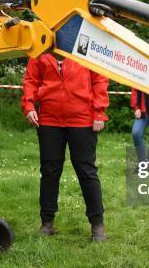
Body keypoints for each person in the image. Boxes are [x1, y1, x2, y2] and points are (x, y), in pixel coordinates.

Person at [21, 55, 110, 242]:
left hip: (82, 119)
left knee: (86, 170)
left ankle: (97, 225)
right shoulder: (40, 51)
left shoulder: (84, 48)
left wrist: (99, 112)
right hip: (49, 120)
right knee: (49, 171)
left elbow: (100, 79)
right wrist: (28, 105)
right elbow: (31, 80)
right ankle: (47, 223)